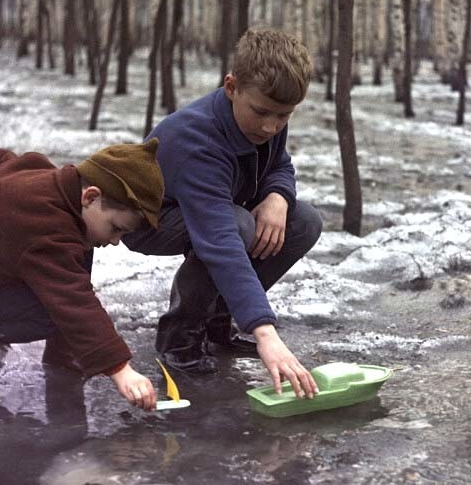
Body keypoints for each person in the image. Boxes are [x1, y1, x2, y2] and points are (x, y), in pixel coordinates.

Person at [123, 28, 323, 399]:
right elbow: (220, 241)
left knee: (304, 221)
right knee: (237, 225)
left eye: (283, 115)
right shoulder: (197, 139)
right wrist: (265, 332)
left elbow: (279, 165)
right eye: (262, 112)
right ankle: (179, 337)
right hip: (149, 221)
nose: (271, 126)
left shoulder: (268, 115)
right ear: (231, 87)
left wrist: (278, 196)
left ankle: (215, 322)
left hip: (219, 210)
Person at [0, 138, 163, 411]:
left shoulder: (38, 169)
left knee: (74, 259)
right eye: (116, 228)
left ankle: (63, 355)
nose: (115, 241)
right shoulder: (49, 229)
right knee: (55, 308)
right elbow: (73, 301)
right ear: (90, 196)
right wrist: (120, 368)